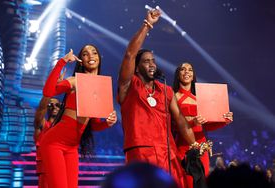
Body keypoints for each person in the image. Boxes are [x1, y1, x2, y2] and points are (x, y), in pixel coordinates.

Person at [117, 9, 196, 187]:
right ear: (136, 68)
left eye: (153, 60)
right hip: (140, 150)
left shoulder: (166, 90)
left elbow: (181, 121)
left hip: (168, 152)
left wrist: (196, 145)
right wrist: (147, 25)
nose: (152, 64)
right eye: (146, 61)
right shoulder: (128, 86)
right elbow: (130, 54)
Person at [40, 45, 117, 188]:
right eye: (86, 54)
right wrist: (62, 62)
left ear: (99, 58)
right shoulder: (75, 81)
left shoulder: (100, 87)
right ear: (81, 60)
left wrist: (107, 122)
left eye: (94, 53)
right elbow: (48, 91)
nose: (91, 56)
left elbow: (93, 124)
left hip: (72, 147)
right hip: (54, 143)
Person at [172, 62, 233, 188]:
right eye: (183, 69)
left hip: (201, 147)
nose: (187, 72)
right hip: (183, 147)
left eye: (190, 70)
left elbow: (207, 126)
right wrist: (191, 122)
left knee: (202, 182)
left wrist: (224, 120)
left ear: (193, 75)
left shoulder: (200, 99)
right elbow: (171, 125)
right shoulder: (173, 97)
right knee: (187, 182)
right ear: (178, 75)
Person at [34, 97, 61, 188]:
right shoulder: (43, 125)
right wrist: (47, 96)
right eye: (51, 105)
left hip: (60, 168)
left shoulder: (63, 128)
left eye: (57, 105)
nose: (54, 107)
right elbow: (39, 113)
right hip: (46, 169)